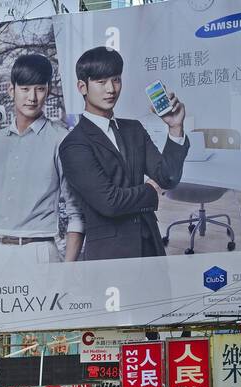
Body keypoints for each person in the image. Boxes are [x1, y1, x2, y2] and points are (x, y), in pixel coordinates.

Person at [0, 52, 84, 266]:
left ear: (48, 91)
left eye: (39, 89)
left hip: (39, 251)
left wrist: (67, 271)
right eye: (25, 89)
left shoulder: (61, 139)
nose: (32, 97)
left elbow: (76, 211)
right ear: (11, 90)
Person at [58, 46, 189, 261]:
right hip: (111, 255)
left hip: (151, 246)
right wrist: (150, 189)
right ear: (83, 86)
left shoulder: (133, 129)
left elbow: (168, 177)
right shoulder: (74, 145)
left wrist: (175, 128)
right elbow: (109, 202)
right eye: (101, 82)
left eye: (116, 80)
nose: (111, 89)